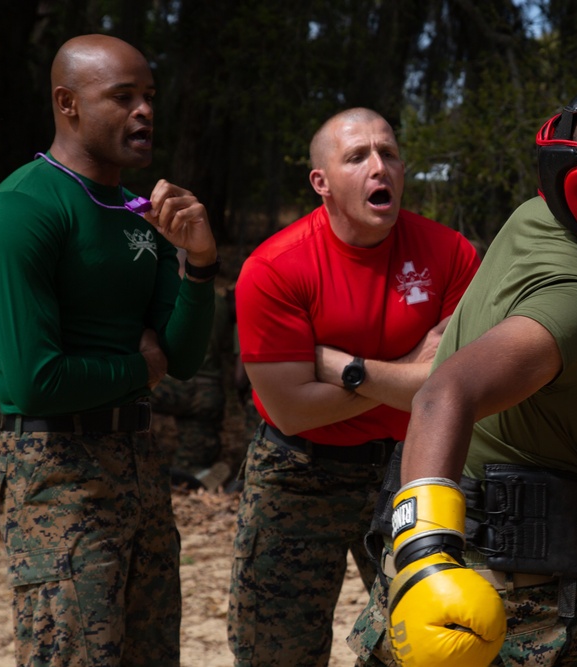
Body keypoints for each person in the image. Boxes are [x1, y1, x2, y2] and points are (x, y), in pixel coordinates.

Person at [347, 77, 577, 666]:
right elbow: (444, 392)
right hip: (508, 594)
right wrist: (427, 561)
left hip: (471, 549)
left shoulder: (538, 217)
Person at [0, 34, 220, 667]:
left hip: (139, 463)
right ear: (68, 103)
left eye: (149, 97)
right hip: (57, 475)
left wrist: (199, 261)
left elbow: (185, 356)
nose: (145, 112)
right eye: (123, 97)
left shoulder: (141, 211)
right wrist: (141, 367)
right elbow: (33, 380)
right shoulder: (22, 209)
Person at [228, 106, 481, 666]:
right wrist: (409, 371)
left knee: (427, 643)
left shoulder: (451, 253)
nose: (379, 167)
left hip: (411, 465)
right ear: (321, 181)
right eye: (357, 156)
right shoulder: (273, 269)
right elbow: (291, 410)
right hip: (297, 472)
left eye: (388, 153)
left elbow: (453, 386)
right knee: (275, 652)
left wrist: (345, 366)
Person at [150, 248, 234, 491]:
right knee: (194, 458)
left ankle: (158, 471)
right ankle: (194, 475)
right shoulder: (217, 301)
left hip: (172, 385)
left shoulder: (171, 294)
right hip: (209, 392)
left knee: (126, 398)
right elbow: (226, 353)